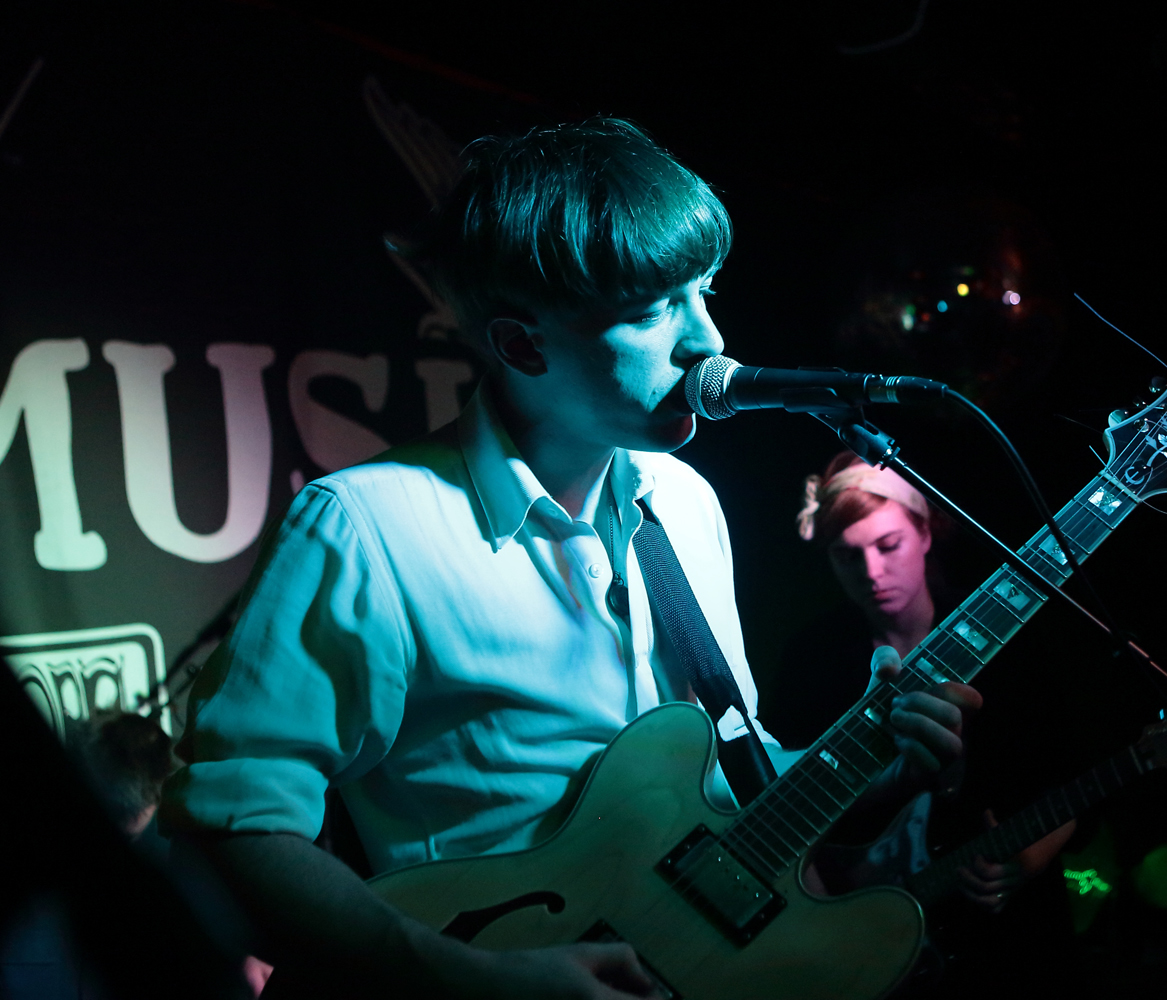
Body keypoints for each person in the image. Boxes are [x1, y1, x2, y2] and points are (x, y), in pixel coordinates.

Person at [158, 120, 980, 1000]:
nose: (707, 340)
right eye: (652, 310)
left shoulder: (685, 503)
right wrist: (474, 978)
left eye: (703, 292)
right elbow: (228, 833)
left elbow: (725, 784)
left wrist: (873, 772)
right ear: (521, 344)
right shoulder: (366, 528)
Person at [778, 451, 1073, 915]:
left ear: (925, 533)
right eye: (847, 555)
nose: (872, 572)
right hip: (862, 921)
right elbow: (781, 797)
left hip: (1012, 919)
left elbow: (1077, 759)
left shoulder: (1005, 625)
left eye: (888, 544)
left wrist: (1038, 852)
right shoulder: (811, 661)